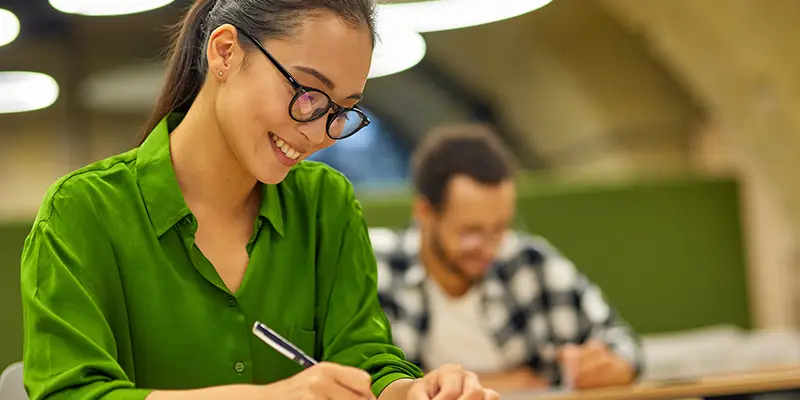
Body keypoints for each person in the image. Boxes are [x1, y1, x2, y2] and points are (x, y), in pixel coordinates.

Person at [19, 1, 499, 399]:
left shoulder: (326, 203)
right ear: (225, 52)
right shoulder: (81, 211)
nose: (318, 134)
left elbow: (364, 357)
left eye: (343, 112)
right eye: (309, 94)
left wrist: (413, 392)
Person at [372, 124, 643, 393]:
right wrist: (518, 382)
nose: (490, 248)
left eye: (500, 227)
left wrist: (616, 366)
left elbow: (621, 340)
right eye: (472, 231)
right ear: (425, 213)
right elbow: (368, 378)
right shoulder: (375, 266)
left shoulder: (530, 263)